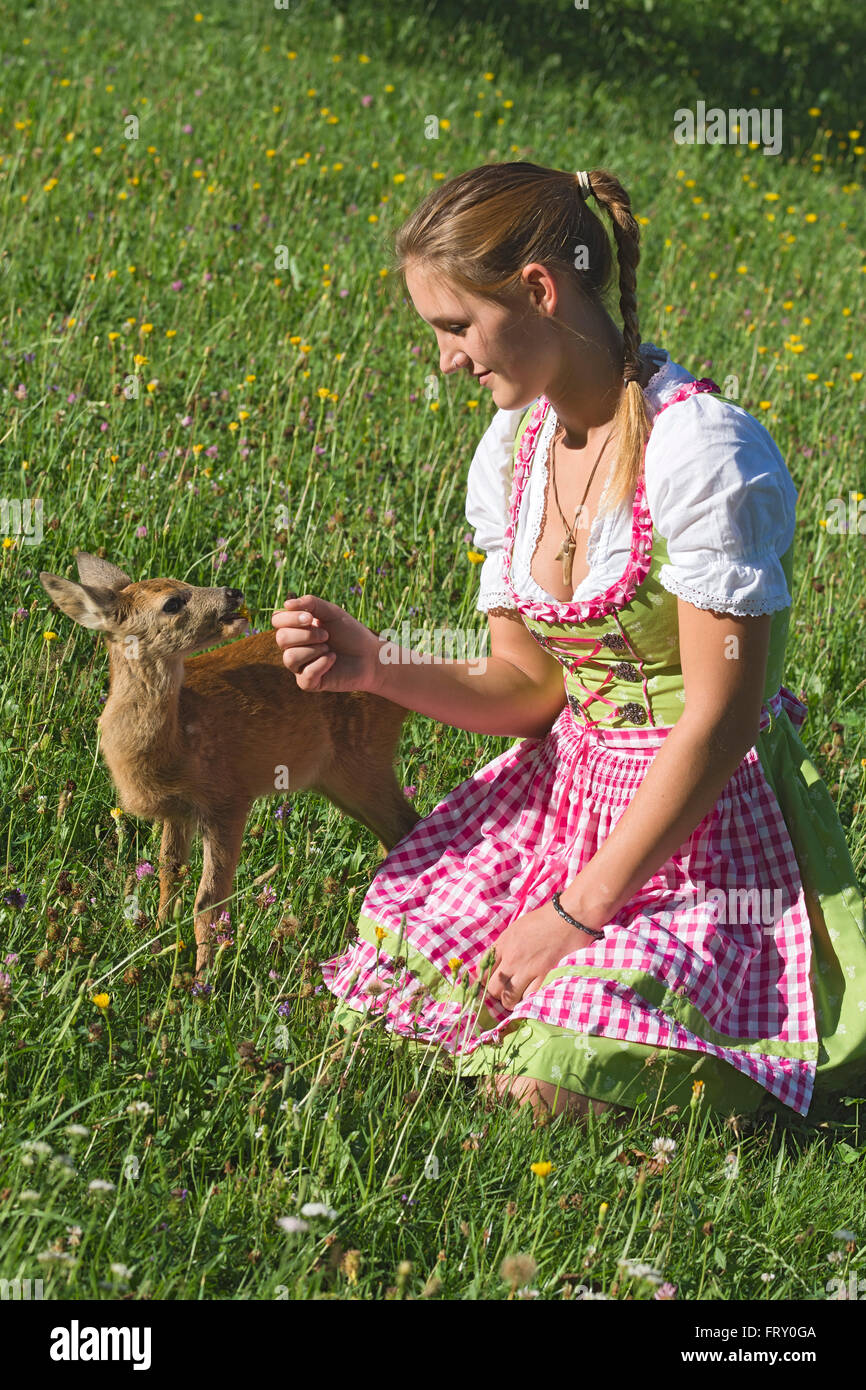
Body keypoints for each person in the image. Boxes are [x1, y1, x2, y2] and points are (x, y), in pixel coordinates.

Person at [271, 161, 866, 1123]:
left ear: (541, 290)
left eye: (456, 326)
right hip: (564, 798)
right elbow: (527, 686)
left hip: (701, 832)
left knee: (544, 1083)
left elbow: (721, 725)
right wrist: (379, 667)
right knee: (396, 979)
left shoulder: (702, 454)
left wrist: (576, 913)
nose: (447, 361)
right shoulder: (514, 449)